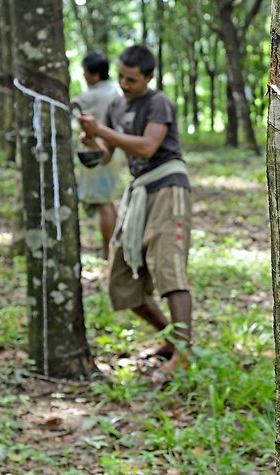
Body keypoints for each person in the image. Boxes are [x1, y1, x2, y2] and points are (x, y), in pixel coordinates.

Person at [78, 44, 192, 382]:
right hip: (138, 190)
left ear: (148, 77)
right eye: (121, 77)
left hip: (168, 186)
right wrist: (90, 138)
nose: (125, 84)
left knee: (168, 267)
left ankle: (183, 355)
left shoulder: (158, 103)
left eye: (132, 80)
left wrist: (102, 131)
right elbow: (105, 155)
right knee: (122, 277)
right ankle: (171, 339)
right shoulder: (114, 106)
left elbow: (146, 146)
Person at [72, 50, 121, 259]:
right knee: (108, 199)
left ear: (94, 74)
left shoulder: (93, 95)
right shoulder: (116, 91)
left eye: (85, 72)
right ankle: (115, 245)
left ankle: (108, 250)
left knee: (104, 202)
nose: (83, 76)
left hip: (97, 150)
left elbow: (70, 107)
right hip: (115, 149)